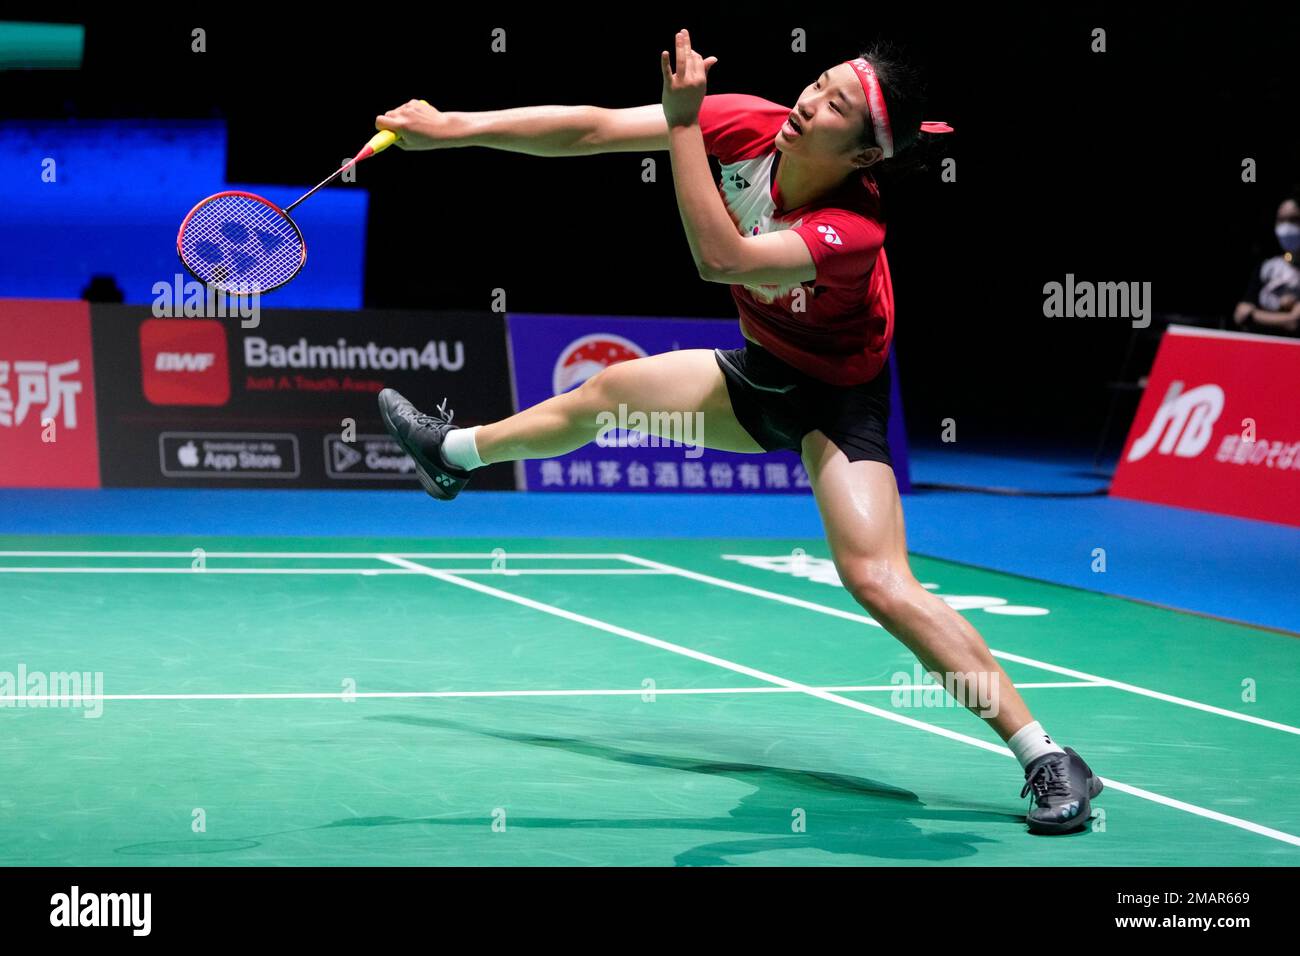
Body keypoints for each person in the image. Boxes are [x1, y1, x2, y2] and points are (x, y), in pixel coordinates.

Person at [373, 30, 1102, 835]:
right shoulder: (747, 123)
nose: (809, 102)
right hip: (762, 370)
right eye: (819, 83)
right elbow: (591, 129)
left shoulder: (851, 231)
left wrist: (683, 126)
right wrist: (454, 127)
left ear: (864, 156)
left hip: (836, 400)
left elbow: (722, 260)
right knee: (609, 391)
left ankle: (1046, 757)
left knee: (878, 580)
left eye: (835, 106)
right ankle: (451, 456)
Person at [1232, 196, 1300, 336]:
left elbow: (1294, 322)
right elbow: (1239, 314)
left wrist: (1253, 315)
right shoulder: (1266, 266)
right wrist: (1283, 316)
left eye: (1293, 219)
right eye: (1281, 220)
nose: (1286, 227)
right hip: (1260, 346)